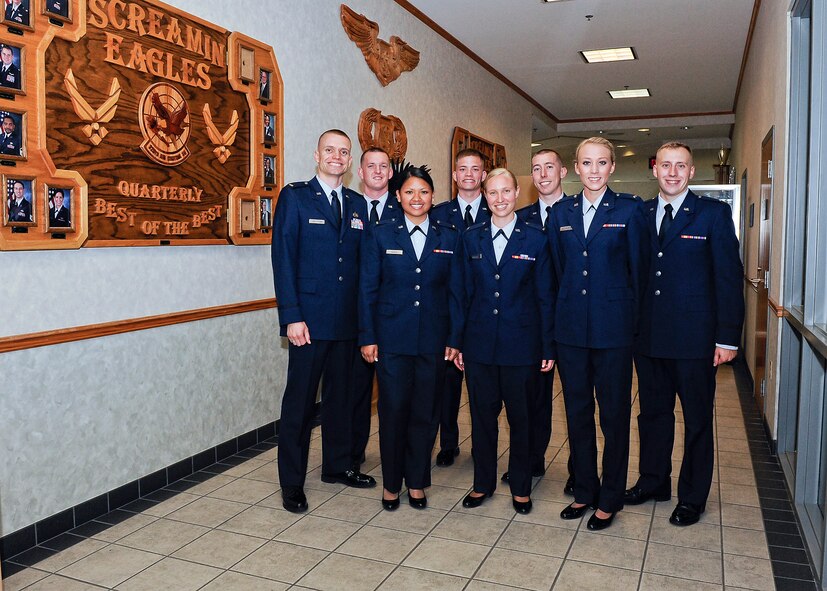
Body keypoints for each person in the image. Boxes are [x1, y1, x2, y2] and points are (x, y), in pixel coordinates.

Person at [625, 142, 744, 526]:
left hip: (696, 342)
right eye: (665, 166)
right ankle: (654, 481)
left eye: (681, 166)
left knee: (696, 421)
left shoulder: (713, 214)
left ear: (692, 172)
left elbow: (728, 280)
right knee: (653, 416)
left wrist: (727, 338)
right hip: (649, 340)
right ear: (654, 169)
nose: (672, 173)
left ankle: (692, 496)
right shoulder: (640, 214)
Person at [271, 129, 375, 514]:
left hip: (347, 325)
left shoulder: (357, 204)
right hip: (308, 325)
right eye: (330, 150)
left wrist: (366, 325)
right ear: (317, 155)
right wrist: (292, 316)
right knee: (299, 405)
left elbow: (364, 270)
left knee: (341, 401)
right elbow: (283, 261)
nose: (336, 156)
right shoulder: (296, 197)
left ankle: (336, 466)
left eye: (343, 152)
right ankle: (292, 483)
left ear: (350, 162)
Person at [548, 137, 648, 530]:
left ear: (612, 168)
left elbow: (638, 275)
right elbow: (558, 273)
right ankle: (584, 492)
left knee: (614, 417)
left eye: (601, 163)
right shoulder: (561, 213)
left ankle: (610, 498)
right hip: (571, 333)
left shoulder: (629, 210)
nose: (594, 170)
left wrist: (633, 329)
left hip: (614, 334)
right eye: (587, 163)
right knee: (577, 416)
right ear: (575, 168)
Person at [454, 168, 555, 515]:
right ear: (485, 195)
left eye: (506, 192)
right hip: (479, 346)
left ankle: (522, 486)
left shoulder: (536, 238)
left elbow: (545, 297)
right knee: (482, 418)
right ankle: (482, 484)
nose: (499, 199)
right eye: (492, 192)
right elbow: (462, 294)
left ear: (516, 193)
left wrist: (547, 346)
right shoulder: (470, 238)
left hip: (522, 347)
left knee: (521, 418)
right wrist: (458, 343)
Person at [359, 167, 459, 510]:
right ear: (398, 196)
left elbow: (456, 293)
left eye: (424, 192)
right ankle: (391, 484)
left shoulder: (449, 236)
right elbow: (367, 289)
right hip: (392, 340)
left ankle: (416, 482)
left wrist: (455, 338)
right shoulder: (381, 234)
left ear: (433, 197)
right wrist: (368, 336)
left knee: (425, 413)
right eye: (410, 192)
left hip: (433, 341)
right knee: (393, 412)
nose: (417, 198)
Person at [502, 149, 575, 493]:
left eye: (550, 167)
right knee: (534, 397)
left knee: (578, 399)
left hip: (576, 322)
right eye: (536, 169)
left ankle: (581, 470)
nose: (543, 174)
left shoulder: (577, 212)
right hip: (533, 325)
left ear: (563, 171)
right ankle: (529, 460)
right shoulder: (520, 217)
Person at [430, 148, 490, 467]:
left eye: (475, 169)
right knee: (447, 386)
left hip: (483, 312)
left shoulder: (497, 210)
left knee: (482, 388)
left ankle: (482, 445)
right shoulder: (437, 214)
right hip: (446, 313)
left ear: (483, 175)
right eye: (462, 169)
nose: (468, 174)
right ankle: (448, 444)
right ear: (454, 175)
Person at [349, 147, 400, 472]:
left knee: (396, 396)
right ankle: (352, 456)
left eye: (384, 166)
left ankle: (399, 458)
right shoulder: (348, 207)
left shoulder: (408, 206)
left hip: (396, 319)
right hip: (353, 317)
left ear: (391, 173)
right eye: (372, 166)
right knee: (354, 393)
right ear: (361, 171)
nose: (378, 171)